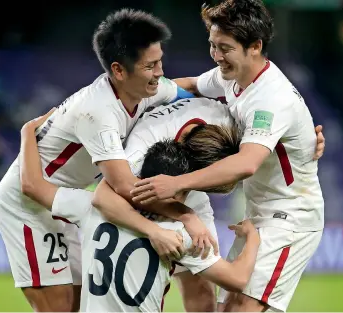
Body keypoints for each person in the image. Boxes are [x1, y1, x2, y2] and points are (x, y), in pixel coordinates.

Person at [0, 8, 213, 312]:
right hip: (28, 202)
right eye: (150, 65)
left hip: (63, 199)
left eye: (160, 61)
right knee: (59, 307)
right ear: (119, 70)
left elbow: (187, 86)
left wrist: (230, 86)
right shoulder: (98, 111)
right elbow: (125, 186)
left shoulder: (142, 87)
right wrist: (186, 215)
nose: (159, 72)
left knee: (83, 302)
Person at [131, 1, 325, 312]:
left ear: (255, 47)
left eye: (225, 48)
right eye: (212, 45)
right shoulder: (232, 76)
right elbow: (192, 85)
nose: (217, 56)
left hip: (290, 218)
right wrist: (134, 98)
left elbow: (246, 163)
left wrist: (177, 183)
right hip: (258, 213)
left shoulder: (270, 100)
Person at [19, 114, 261, 312]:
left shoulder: (91, 207)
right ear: (175, 192)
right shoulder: (178, 237)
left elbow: (32, 186)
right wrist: (252, 237)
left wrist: (28, 132)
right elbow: (237, 279)